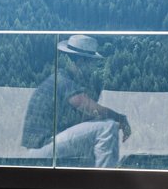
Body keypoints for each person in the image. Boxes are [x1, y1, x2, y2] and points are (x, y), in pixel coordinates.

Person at [21, 34, 130, 167]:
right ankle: (105, 181)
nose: (94, 68)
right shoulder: (63, 81)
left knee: (98, 128)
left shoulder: (60, 78)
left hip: (40, 147)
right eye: (92, 62)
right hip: (43, 146)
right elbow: (91, 108)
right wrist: (120, 118)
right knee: (108, 127)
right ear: (81, 61)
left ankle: (96, 176)